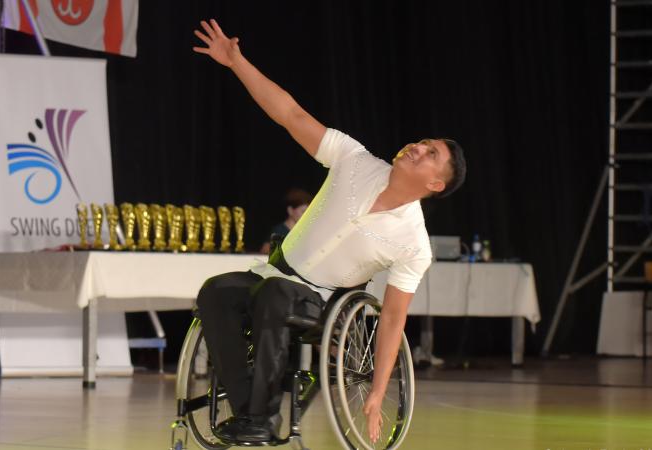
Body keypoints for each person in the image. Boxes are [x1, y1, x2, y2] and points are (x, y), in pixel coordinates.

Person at [192, 19, 466, 444]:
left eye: (431, 154)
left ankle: (260, 417)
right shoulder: (354, 160)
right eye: (423, 142)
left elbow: (392, 318)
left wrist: (377, 392)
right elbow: (290, 113)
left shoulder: (414, 244)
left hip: (321, 305)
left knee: (276, 296)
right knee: (215, 291)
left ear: (436, 185)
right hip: (272, 274)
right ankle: (252, 411)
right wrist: (236, 62)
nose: (418, 146)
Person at [259, 188, 313, 255]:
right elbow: (264, 253)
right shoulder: (279, 231)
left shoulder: (305, 231)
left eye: (308, 212)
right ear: (290, 210)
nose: (306, 215)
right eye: (303, 212)